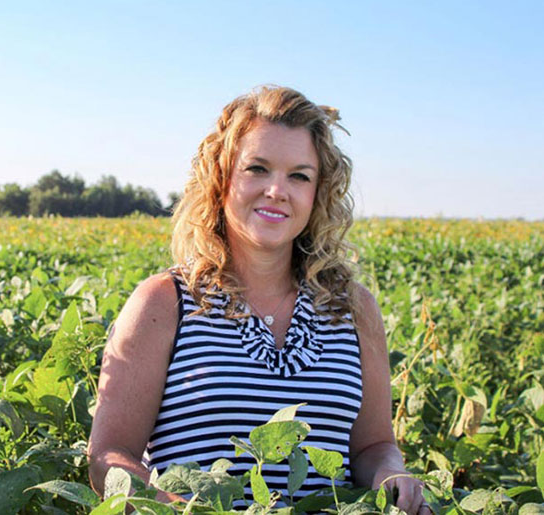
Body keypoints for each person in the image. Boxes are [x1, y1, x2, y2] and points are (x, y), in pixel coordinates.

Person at [88, 85, 428, 514]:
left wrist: (392, 476)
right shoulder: (165, 302)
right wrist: (171, 509)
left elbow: (374, 446)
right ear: (222, 177)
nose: (276, 191)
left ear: (318, 193)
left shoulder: (353, 308)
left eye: (299, 176)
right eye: (258, 169)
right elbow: (109, 457)